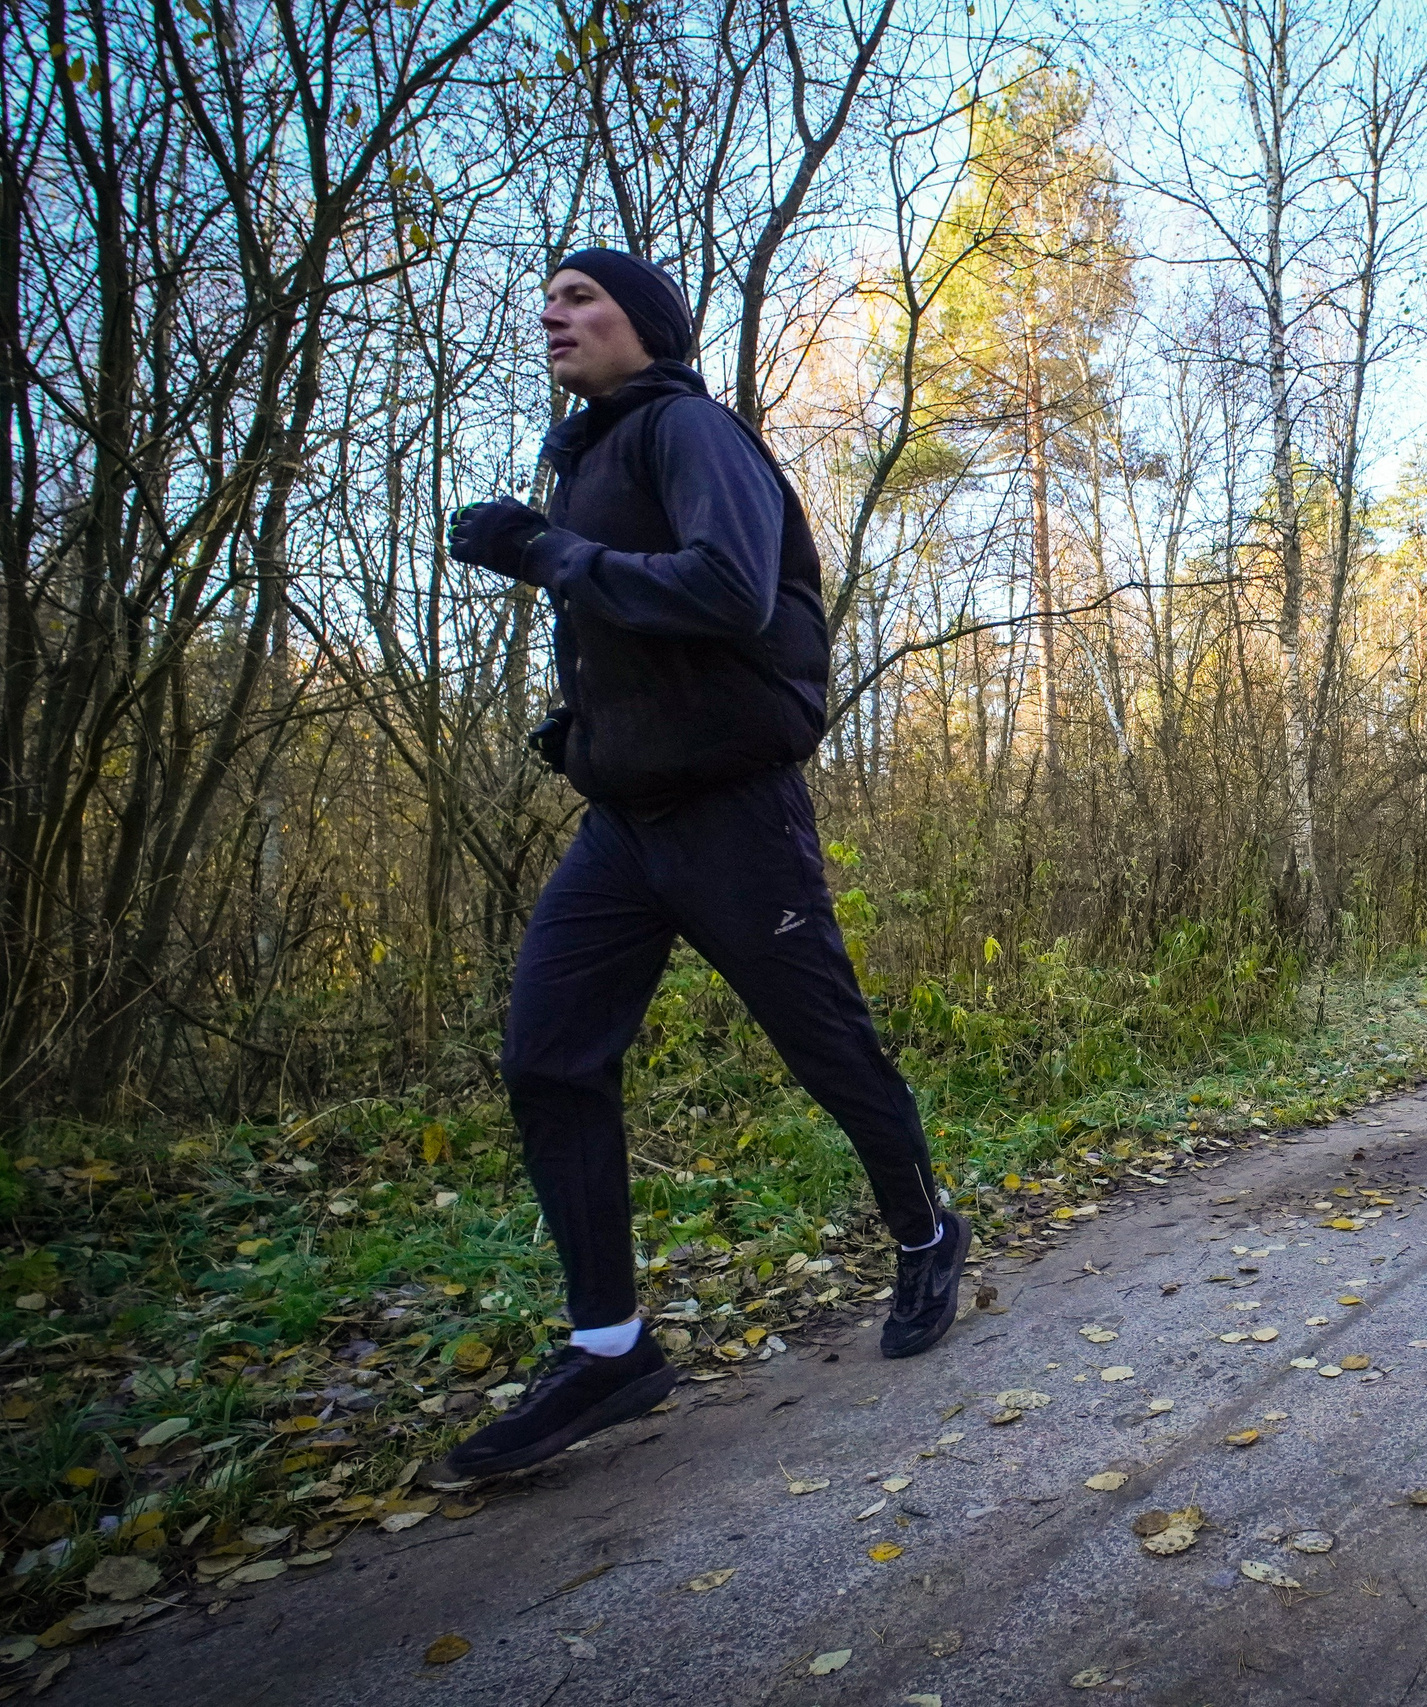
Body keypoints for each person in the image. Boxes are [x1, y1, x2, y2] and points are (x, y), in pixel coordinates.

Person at [434, 250, 971, 1481]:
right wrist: (582, 730)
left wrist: (546, 555)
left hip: (734, 815)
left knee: (823, 1041)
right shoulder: (591, 458)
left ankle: (924, 1227)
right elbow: (641, 642)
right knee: (547, 1055)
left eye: (581, 296)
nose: (554, 312)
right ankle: (610, 1344)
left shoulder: (689, 429)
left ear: (647, 326)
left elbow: (729, 593)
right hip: (623, 825)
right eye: (550, 296)